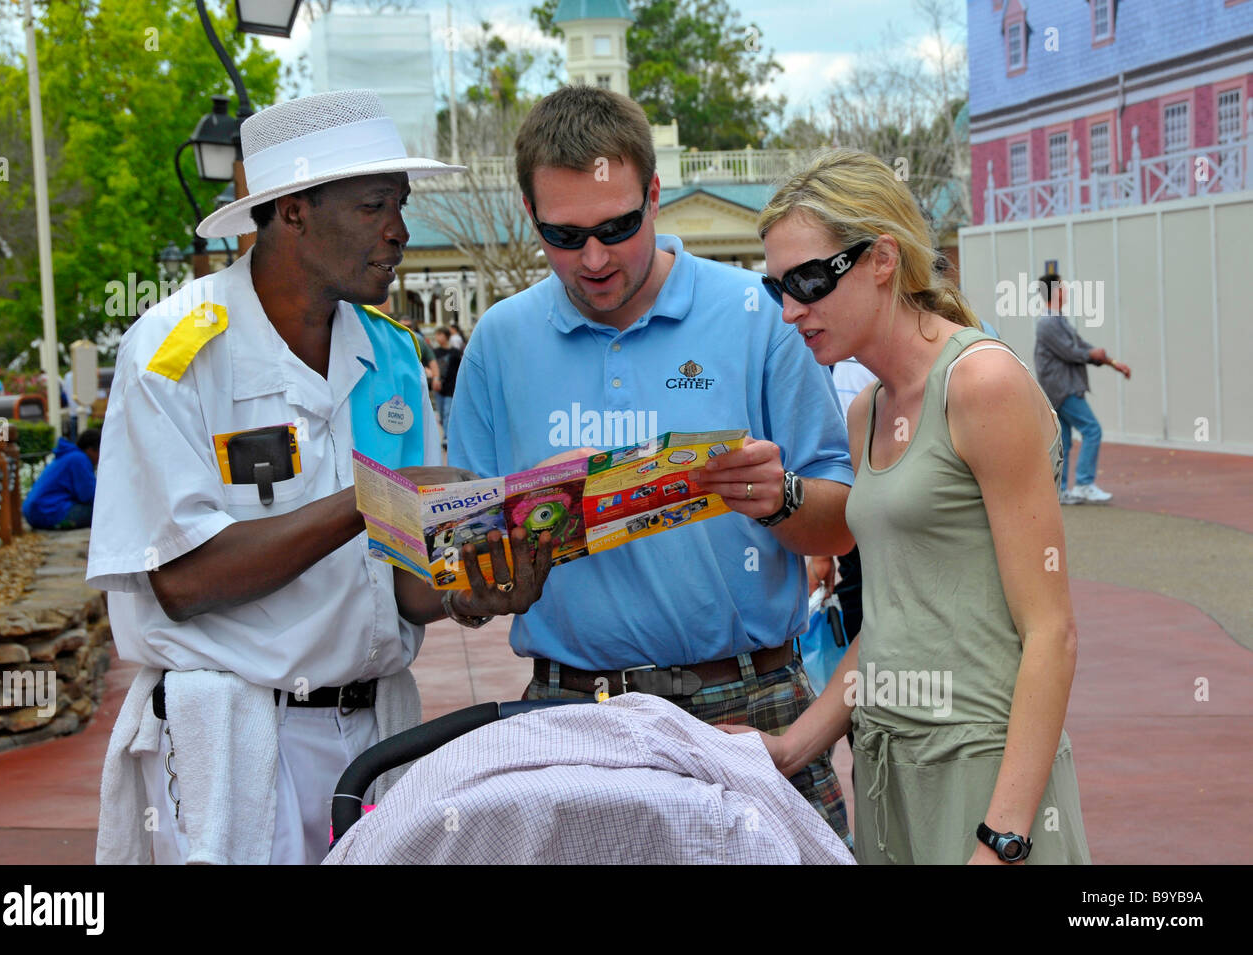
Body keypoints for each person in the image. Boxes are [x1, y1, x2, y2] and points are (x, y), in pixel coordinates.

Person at [86, 90, 552, 866]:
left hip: (376, 739)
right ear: (293, 209)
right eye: (375, 205)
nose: (399, 231)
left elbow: (402, 583)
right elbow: (185, 578)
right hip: (238, 742)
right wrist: (373, 501)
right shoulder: (175, 351)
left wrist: (474, 591)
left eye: (399, 205)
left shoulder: (393, 355)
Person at [446, 85, 857, 844]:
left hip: (747, 703)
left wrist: (778, 498)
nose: (594, 259)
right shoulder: (500, 343)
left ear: (656, 196)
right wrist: (481, 591)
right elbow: (465, 566)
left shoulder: (757, 316)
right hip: (570, 713)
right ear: (529, 217)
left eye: (618, 227)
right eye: (564, 236)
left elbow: (844, 520)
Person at [730, 147, 1090, 865]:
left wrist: (1005, 839)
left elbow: (1052, 632)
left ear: (883, 259)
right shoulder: (867, 412)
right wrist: (792, 745)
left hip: (981, 769)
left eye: (807, 279)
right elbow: (892, 620)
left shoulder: (980, 382)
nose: (792, 309)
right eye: (777, 289)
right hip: (889, 769)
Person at [1033, 268, 1131, 504]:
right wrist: (1094, 354)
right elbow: (1071, 351)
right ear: (1055, 292)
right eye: (1063, 287)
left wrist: (1110, 362)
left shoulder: (1057, 320)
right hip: (1063, 388)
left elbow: (1079, 346)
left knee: (1064, 441)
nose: (1066, 291)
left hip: (1061, 388)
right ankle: (1084, 484)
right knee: (1092, 430)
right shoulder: (1048, 322)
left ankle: (1062, 490)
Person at [23, 428, 100, 530]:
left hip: (35, 512)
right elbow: (89, 495)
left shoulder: (69, 456)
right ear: (91, 450)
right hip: (48, 512)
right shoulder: (79, 459)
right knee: (103, 511)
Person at [432, 325, 461, 441]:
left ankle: (447, 437)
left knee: (448, 412)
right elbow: (428, 366)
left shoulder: (455, 352)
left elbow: (459, 369)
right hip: (438, 387)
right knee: (441, 413)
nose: (438, 337)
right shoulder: (434, 352)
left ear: (446, 336)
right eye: (437, 334)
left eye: (440, 334)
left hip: (451, 387)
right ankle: (446, 433)